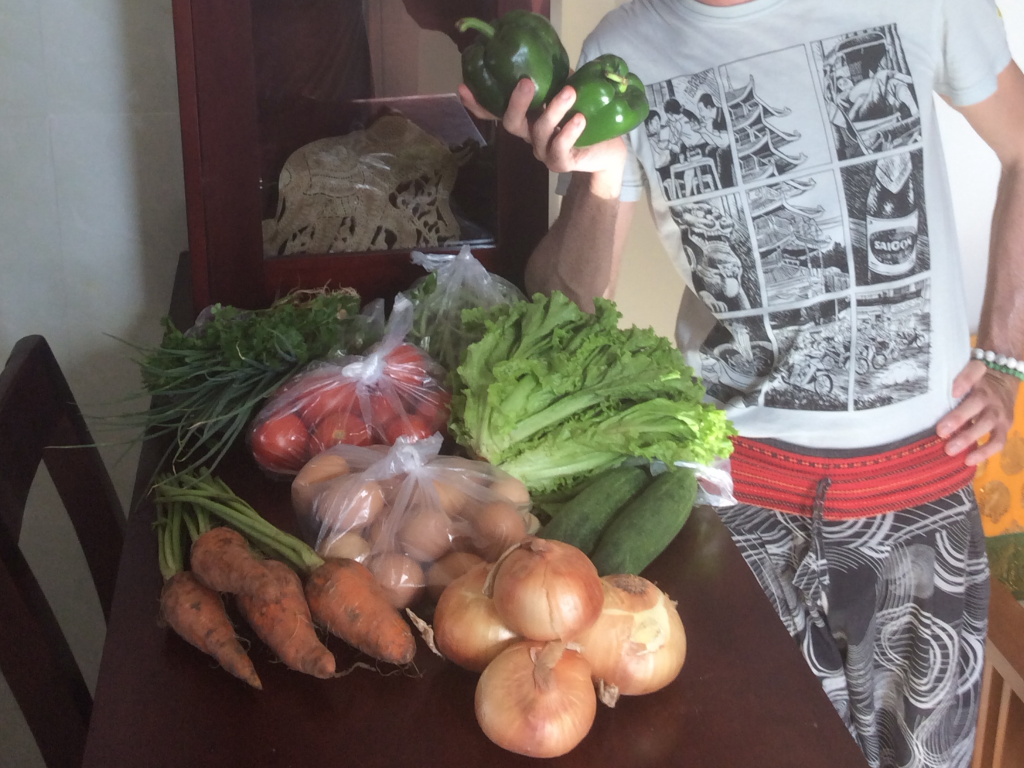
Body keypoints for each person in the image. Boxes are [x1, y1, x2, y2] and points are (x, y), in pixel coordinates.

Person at [459, 1, 1023, 767]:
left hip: (917, 500)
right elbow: (569, 302)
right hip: (735, 508)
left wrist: (1007, 353)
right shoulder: (622, 50)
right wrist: (603, 178)